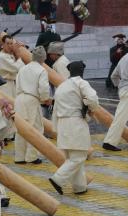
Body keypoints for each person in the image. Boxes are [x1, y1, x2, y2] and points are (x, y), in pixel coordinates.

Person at [50, 61, 99, 195]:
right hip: (75, 123)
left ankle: (79, 187)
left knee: (72, 157)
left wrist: (55, 128)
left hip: (62, 124)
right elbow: (93, 98)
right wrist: (90, 107)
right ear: (81, 71)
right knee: (78, 158)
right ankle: (58, 179)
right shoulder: (81, 82)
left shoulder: (62, 86)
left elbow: (55, 109)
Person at [14, 46, 50, 164]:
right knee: (35, 128)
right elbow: (44, 88)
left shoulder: (23, 69)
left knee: (20, 128)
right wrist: (45, 99)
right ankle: (31, 156)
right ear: (43, 58)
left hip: (19, 98)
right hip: (32, 99)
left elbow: (17, 84)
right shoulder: (41, 70)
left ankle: (19, 157)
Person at [0, 35, 24, 100]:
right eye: (7, 43)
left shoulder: (9, 54)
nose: (9, 46)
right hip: (5, 85)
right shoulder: (2, 56)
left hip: (11, 84)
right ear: (3, 44)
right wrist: (18, 55)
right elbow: (17, 67)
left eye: (11, 43)